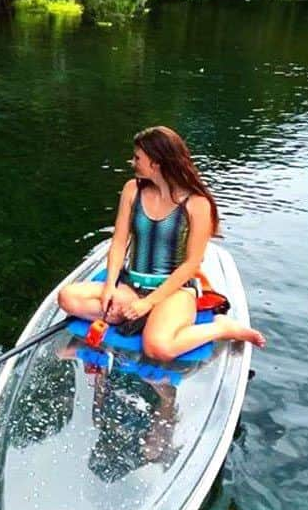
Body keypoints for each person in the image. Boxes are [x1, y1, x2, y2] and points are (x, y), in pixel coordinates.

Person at [58, 125, 266, 361]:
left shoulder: (197, 203)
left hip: (174, 291)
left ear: (156, 164)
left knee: (157, 348)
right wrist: (109, 289)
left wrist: (149, 303)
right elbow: (118, 244)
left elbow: (191, 264)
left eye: (137, 157)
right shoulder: (131, 190)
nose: (132, 161)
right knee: (67, 297)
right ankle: (134, 314)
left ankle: (221, 327)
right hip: (131, 286)